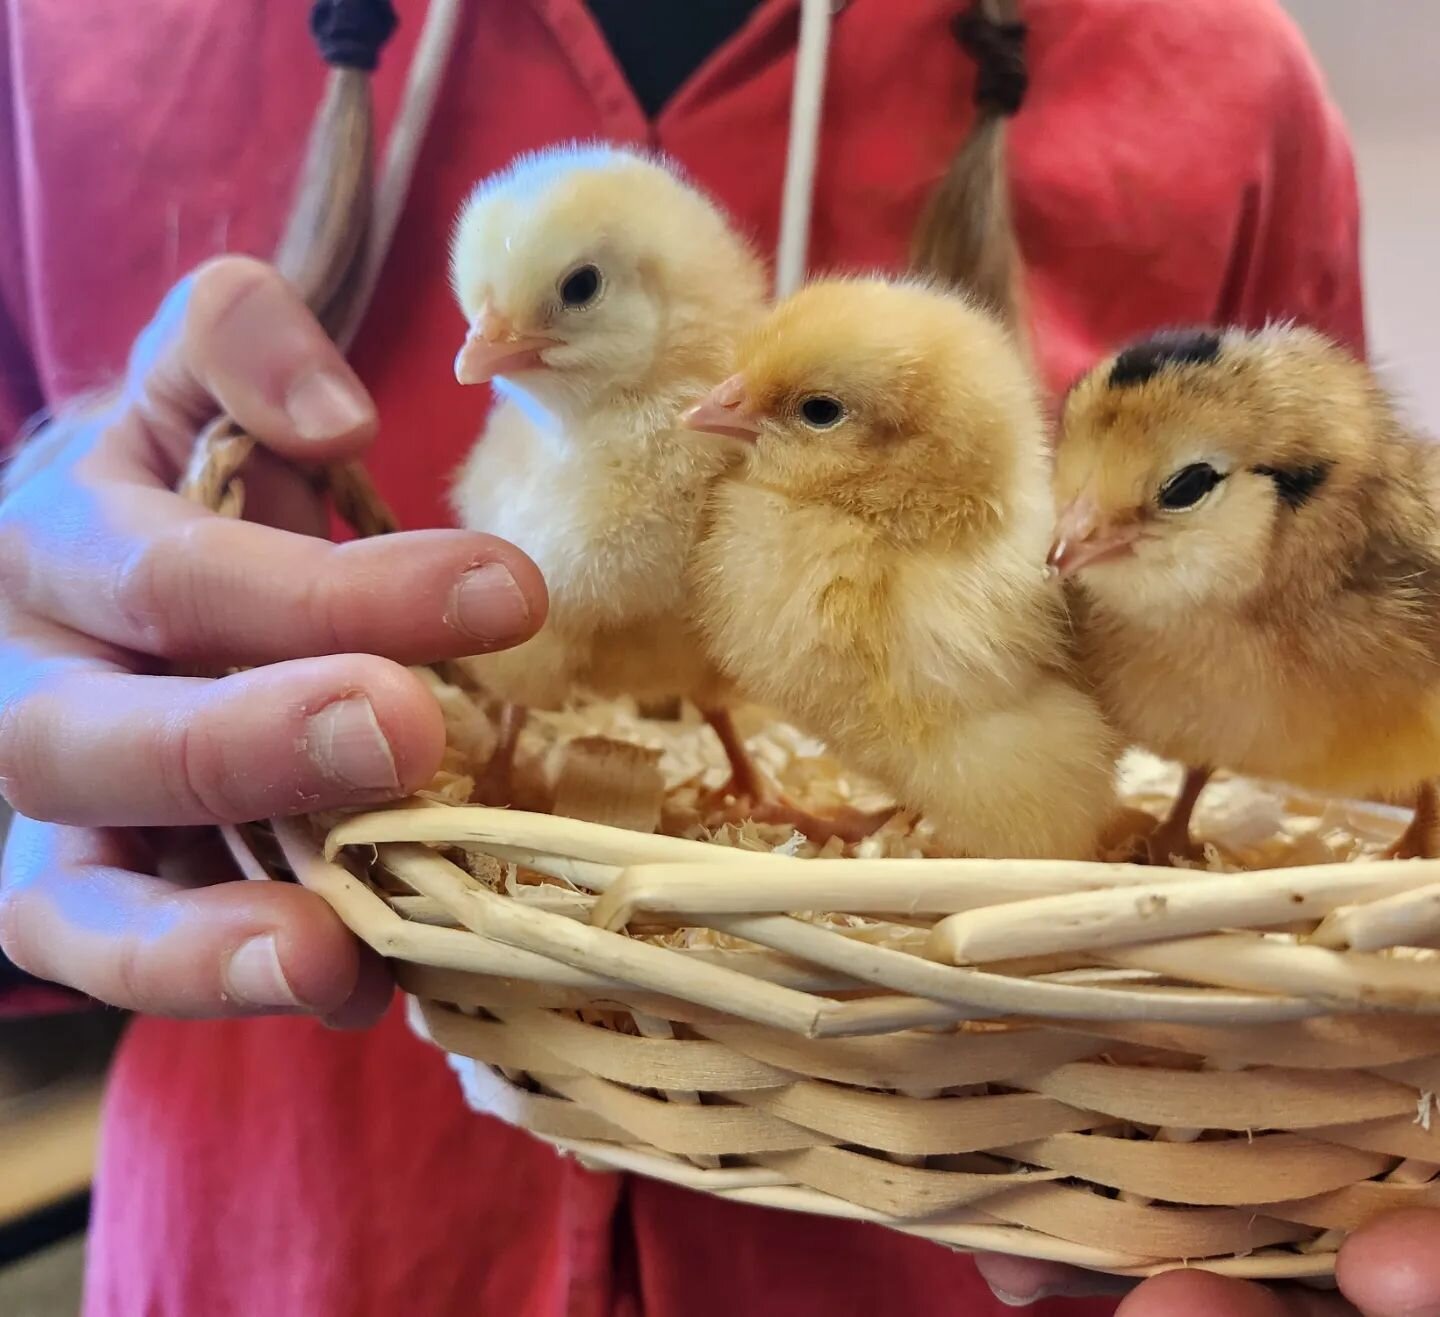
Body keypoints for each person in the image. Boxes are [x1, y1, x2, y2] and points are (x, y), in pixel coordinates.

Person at [0, 1, 1422, 1314]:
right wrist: (46, 692)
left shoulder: (1217, 79)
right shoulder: (75, 38)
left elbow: (1333, 649)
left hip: (1016, 1230)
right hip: (299, 1222)